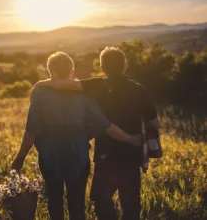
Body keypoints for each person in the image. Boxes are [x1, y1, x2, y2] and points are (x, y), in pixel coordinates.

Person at [33, 47, 159, 220]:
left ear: (102, 67)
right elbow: (154, 122)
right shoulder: (139, 89)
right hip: (132, 155)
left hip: (105, 156)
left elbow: (64, 83)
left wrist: (40, 84)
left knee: (102, 200)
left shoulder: (97, 85)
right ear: (125, 66)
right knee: (131, 204)